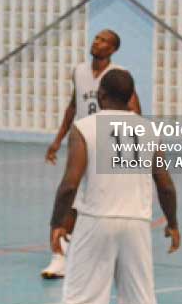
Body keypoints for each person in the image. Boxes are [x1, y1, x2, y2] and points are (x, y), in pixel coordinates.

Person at [47, 69, 179, 304]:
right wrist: (173, 222)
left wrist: (58, 221)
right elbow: (164, 183)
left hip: (96, 222)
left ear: (101, 95)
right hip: (137, 225)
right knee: (139, 303)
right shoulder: (148, 129)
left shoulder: (86, 127)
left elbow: (70, 183)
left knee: (76, 303)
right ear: (131, 96)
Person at [41, 29, 141, 279]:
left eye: (104, 40)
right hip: (82, 142)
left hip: (107, 144)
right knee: (71, 195)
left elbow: (135, 113)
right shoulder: (79, 71)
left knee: (99, 202)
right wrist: (57, 140)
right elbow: (73, 106)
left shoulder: (119, 76)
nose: (97, 42)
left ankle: (98, 254)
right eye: (97, 38)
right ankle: (59, 256)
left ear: (113, 49)